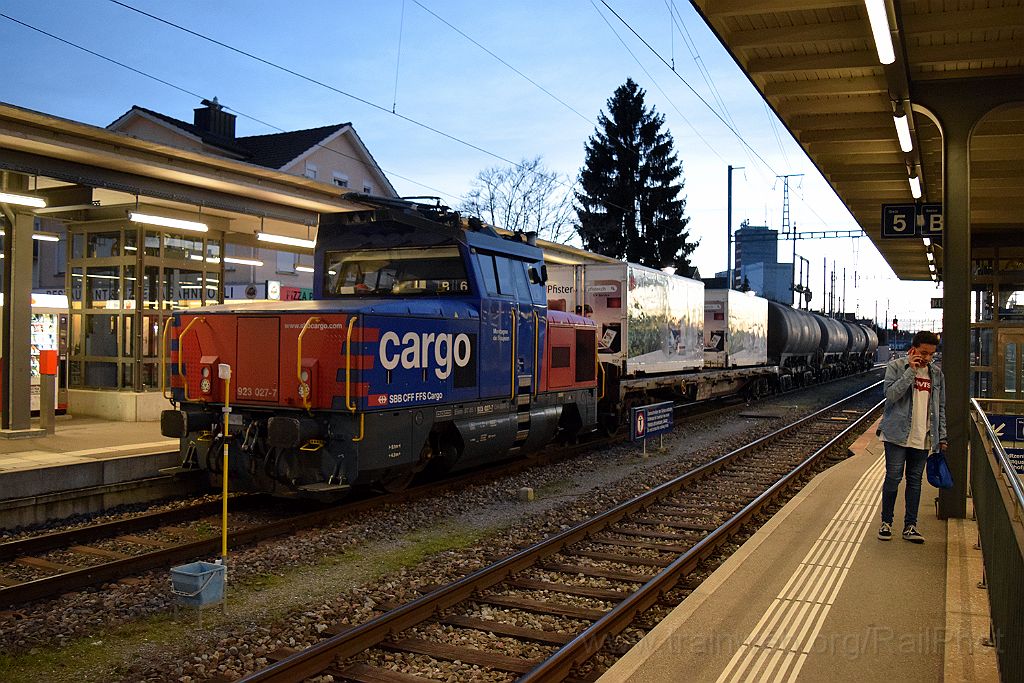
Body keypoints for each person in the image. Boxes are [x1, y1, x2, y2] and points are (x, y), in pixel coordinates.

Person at [877, 330, 946, 543]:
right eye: (923, 353)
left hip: (923, 436)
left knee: (915, 481)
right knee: (893, 478)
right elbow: (890, 395)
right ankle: (886, 522)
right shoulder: (896, 367)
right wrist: (911, 372)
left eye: (931, 354)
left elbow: (940, 407)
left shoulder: (936, 375)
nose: (927, 358)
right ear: (914, 348)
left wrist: (941, 437)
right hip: (896, 435)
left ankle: (910, 526)